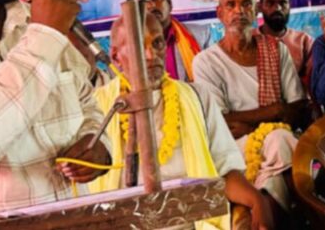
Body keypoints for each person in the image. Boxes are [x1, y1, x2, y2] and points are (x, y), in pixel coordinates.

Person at [89, 13, 272, 230]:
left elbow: (225, 169)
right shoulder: (97, 107)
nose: (151, 55)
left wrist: (257, 200)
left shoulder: (197, 97)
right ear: (116, 57)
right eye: (139, 46)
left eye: (157, 43)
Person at [0, 0, 111, 211]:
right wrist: (45, 35)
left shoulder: (34, 23)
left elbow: (88, 104)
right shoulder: (44, 32)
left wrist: (98, 145)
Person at [193, 0, 311, 213]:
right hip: (235, 149)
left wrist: (249, 123)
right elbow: (222, 122)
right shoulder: (206, 62)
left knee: (276, 158)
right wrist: (275, 111)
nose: (239, 10)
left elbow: (297, 106)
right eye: (231, 5)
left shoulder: (276, 49)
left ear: (255, 10)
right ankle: (314, 213)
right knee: (279, 140)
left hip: (277, 140)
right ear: (220, 13)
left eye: (246, 4)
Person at [126, 0, 211, 82]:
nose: (151, 5)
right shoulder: (125, 49)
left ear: (169, 3)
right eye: (143, 2)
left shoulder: (201, 35)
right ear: (132, 10)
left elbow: (211, 81)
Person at [254, 0, 314, 89]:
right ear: (260, 6)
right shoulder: (248, 40)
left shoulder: (304, 41)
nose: (277, 8)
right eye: (270, 3)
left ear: (289, 5)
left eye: (283, 3)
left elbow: (312, 84)